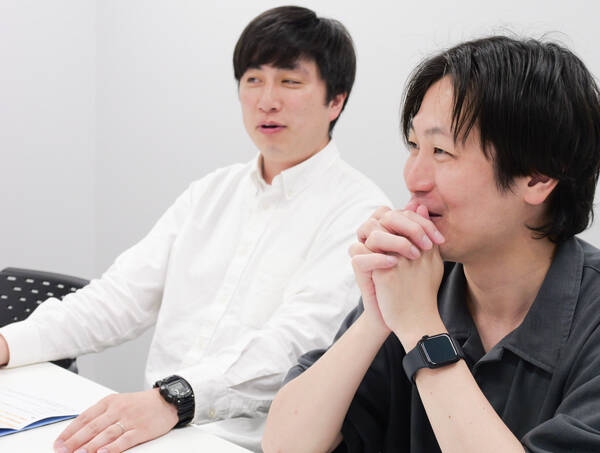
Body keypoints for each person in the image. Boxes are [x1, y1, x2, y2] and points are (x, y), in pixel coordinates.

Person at [0, 6, 390, 453]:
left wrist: (174, 399)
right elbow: (118, 298)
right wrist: (8, 342)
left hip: (247, 443)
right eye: (253, 79)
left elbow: (293, 345)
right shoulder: (210, 194)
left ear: (336, 100)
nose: (267, 100)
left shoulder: (359, 213)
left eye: (290, 81)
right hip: (157, 429)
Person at [263, 36, 600, 452]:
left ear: (538, 177)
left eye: (441, 151)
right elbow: (285, 445)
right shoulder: (417, 285)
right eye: (414, 146)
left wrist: (422, 330)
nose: (413, 178)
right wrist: (377, 317)